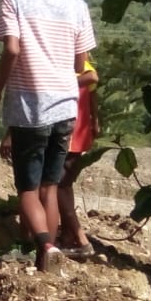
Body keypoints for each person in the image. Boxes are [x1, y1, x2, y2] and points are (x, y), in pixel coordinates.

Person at [0, 0, 97, 272]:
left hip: (29, 108)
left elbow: (13, 50)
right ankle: (47, 258)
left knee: (28, 189)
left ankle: (46, 246)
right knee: (50, 185)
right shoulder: (78, 6)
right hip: (66, 107)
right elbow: (82, 65)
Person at [57, 57, 99, 259]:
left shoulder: (74, 60)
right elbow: (92, 93)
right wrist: (95, 120)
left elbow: (92, 78)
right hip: (78, 130)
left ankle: (81, 239)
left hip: (69, 131)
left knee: (57, 184)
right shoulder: (78, 60)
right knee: (64, 184)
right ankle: (67, 236)